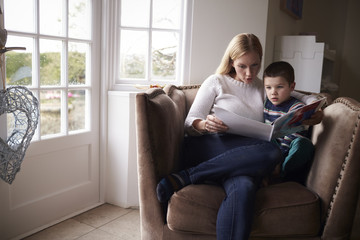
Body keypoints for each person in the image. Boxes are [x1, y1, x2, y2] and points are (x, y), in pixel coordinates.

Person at [156, 33, 322, 240]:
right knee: (271, 151)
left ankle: (186, 177)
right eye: (242, 66)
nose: (249, 73)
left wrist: (315, 109)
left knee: (244, 186)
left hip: (243, 158)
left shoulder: (263, 87)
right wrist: (206, 124)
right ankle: (189, 175)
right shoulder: (216, 81)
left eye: (255, 65)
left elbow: (302, 96)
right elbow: (190, 123)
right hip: (209, 147)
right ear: (232, 61)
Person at [263, 61, 315, 183]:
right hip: (272, 149)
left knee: (303, 144)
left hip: (288, 151)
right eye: (268, 87)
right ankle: (271, 171)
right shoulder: (267, 104)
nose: (273, 92)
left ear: (292, 87)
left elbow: (293, 135)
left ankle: (283, 170)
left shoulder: (297, 107)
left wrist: (279, 160)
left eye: (279, 87)